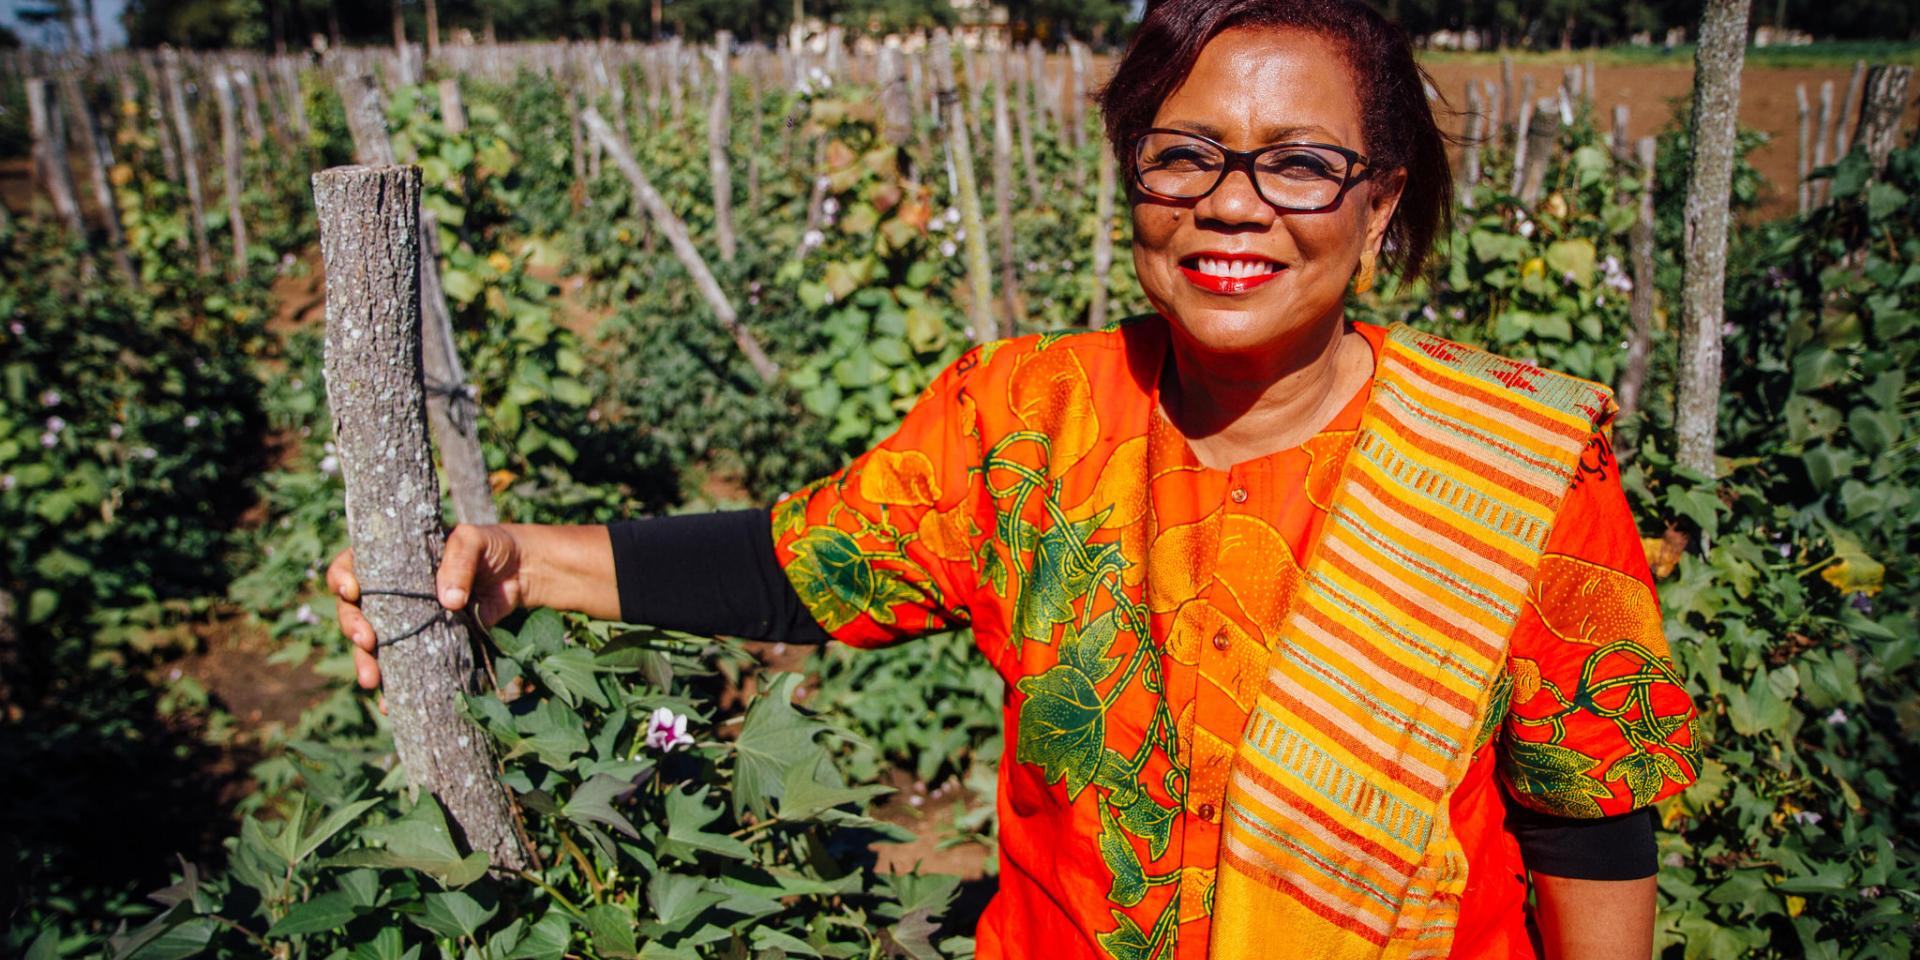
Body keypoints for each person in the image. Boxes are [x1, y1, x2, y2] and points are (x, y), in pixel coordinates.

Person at [330, 2, 1699, 957]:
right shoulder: (1029, 421)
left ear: (1381, 200)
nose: (1233, 204)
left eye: (1300, 166)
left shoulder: (1507, 465)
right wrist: (515, 563)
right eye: (1185, 156)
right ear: (1132, 178)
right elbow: (798, 565)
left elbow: (1589, 819)